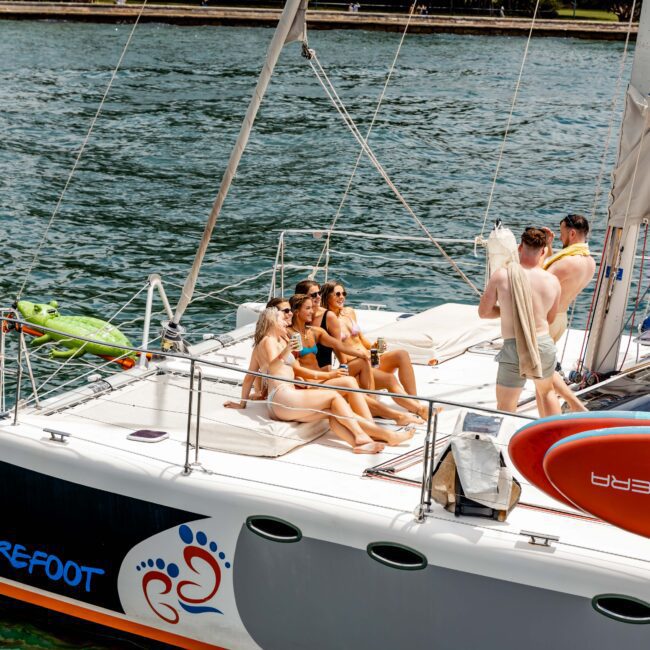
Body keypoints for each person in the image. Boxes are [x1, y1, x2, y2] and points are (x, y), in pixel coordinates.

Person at [225, 308, 404, 453]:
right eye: (282, 320)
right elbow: (272, 367)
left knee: (331, 411)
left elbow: (249, 376)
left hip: (284, 399)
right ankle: (363, 434)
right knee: (334, 397)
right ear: (272, 322)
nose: (286, 322)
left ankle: (361, 443)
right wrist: (287, 350)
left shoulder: (277, 341)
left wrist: (242, 404)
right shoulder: (267, 341)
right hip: (281, 397)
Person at [289, 293, 423, 427]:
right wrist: (330, 374)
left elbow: (338, 345)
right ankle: (401, 414)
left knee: (366, 362)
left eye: (311, 308)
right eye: (308, 308)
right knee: (352, 383)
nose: (312, 311)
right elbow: (295, 367)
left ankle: (399, 408)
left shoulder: (314, 331)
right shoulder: (289, 334)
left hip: (324, 377)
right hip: (312, 381)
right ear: (296, 311)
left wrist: (364, 355)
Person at [316, 280, 429, 421]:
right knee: (389, 379)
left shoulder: (349, 312)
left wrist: (374, 347)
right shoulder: (329, 319)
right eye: (337, 294)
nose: (342, 297)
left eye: (343, 293)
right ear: (327, 297)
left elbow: (361, 339)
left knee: (401, 354)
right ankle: (419, 409)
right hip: (355, 365)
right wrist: (352, 365)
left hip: (369, 358)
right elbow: (339, 349)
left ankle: (414, 401)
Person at [478, 227, 562, 417]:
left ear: (519, 247)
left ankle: (507, 445)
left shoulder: (502, 275)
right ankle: (555, 441)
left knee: (506, 406)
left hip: (514, 347)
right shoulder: (552, 281)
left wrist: (508, 311)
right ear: (543, 252)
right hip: (543, 343)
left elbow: (484, 312)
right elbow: (549, 319)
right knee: (547, 393)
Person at [541, 214, 596, 412]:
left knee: (543, 376)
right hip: (561, 319)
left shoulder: (565, 263)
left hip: (546, 320)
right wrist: (549, 247)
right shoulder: (589, 263)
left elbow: (539, 282)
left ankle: (574, 405)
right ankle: (551, 417)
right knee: (542, 379)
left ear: (572, 233)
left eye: (563, 234)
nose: (562, 238)